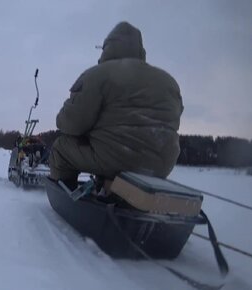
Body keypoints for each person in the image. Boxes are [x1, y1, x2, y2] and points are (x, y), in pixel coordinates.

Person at [49, 21, 183, 189]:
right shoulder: (169, 82)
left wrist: (62, 119)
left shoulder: (98, 75)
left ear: (108, 48)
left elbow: (72, 124)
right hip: (162, 165)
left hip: (117, 160)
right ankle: (112, 189)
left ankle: (65, 193)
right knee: (106, 145)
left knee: (61, 148)